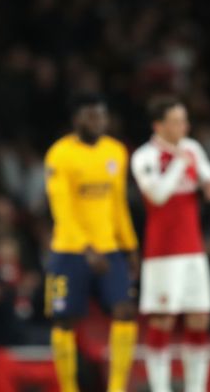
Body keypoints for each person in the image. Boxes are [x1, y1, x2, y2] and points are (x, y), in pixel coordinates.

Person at [43, 93, 139, 392]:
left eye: (101, 115)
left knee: (124, 311)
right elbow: (62, 209)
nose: (98, 121)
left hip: (109, 249)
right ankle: (69, 388)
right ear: (77, 119)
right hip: (69, 250)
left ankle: (117, 388)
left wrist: (130, 245)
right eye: (91, 116)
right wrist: (86, 248)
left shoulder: (116, 152)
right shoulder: (59, 154)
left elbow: (118, 203)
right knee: (64, 322)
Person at [131, 97, 210, 392]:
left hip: (193, 250)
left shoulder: (193, 148)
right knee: (163, 320)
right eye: (177, 121)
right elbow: (156, 196)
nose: (184, 126)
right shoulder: (144, 157)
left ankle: (196, 388)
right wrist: (178, 166)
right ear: (159, 125)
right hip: (162, 253)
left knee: (199, 317)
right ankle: (161, 388)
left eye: (184, 120)